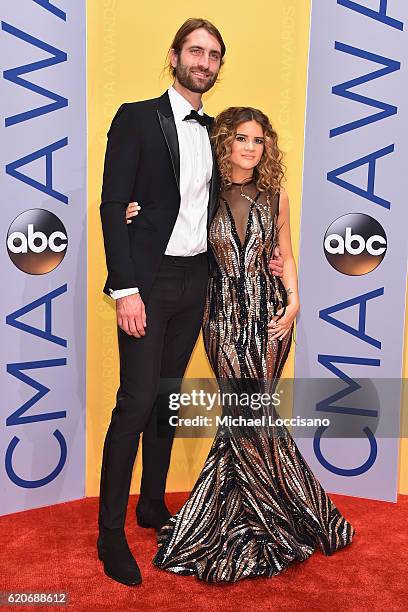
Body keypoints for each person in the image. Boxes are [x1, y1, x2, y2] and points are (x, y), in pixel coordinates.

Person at [126, 107, 355, 583]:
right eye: (242, 139)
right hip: (222, 316)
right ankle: (274, 508)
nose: (251, 148)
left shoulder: (276, 196)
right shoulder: (204, 194)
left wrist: (294, 302)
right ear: (225, 142)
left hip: (271, 315)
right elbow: (172, 226)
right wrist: (134, 210)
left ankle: (255, 512)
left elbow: (287, 255)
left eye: (259, 140)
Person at [98, 18, 284, 587]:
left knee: (165, 401)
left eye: (213, 55)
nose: (204, 61)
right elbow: (112, 206)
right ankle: (109, 534)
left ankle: (151, 506)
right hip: (148, 285)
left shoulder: (218, 134)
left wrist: (277, 262)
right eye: (195, 51)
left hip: (196, 284)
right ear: (174, 55)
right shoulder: (135, 118)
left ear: (218, 66)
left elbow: (238, 204)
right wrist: (125, 288)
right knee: (134, 402)